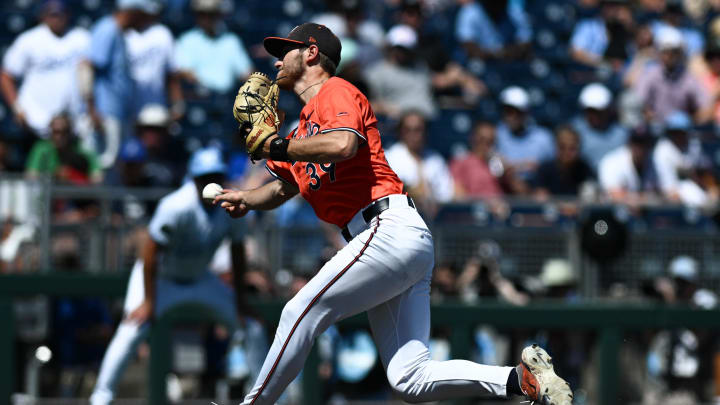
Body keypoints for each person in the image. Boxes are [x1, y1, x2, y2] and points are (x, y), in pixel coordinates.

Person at [214, 22, 572, 405]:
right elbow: (284, 186)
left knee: (299, 310)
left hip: (386, 227)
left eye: (284, 50)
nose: (276, 60)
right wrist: (247, 198)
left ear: (311, 52)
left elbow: (343, 144)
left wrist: (279, 146)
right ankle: (520, 381)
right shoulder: (303, 130)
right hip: (390, 241)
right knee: (409, 378)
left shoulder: (335, 91)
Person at [90, 148, 265, 405]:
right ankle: (100, 398)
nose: (210, 182)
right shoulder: (176, 206)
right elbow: (150, 253)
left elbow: (238, 251)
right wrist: (149, 302)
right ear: (193, 179)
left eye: (216, 175)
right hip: (160, 279)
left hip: (200, 278)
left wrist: (240, 301)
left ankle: (264, 398)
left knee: (252, 327)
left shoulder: (231, 204)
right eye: (205, 176)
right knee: (131, 328)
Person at [77, 0, 151, 169]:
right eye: (142, 15)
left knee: (111, 170)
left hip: (113, 113)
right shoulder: (107, 29)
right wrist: (91, 110)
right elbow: (87, 67)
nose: (146, 20)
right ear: (131, 11)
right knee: (100, 168)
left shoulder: (119, 32)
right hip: (102, 115)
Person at [0, 0, 89, 139]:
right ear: (44, 16)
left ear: (68, 15)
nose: (57, 19)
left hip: (74, 123)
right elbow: (6, 75)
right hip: (35, 121)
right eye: (53, 14)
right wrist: (17, 109)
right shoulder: (29, 39)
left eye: (61, 14)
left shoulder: (81, 38)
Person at [633, 26, 712, 124]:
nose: (669, 56)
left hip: (681, 132)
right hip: (655, 129)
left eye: (673, 52)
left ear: (680, 53)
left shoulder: (688, 77)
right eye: (665, 52)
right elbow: (638, 100)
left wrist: (691, 121)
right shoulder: (651, 73)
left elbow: (705, 105)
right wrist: (647, 114)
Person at [174, 0, 254, 94]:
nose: (207, 18)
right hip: (199, 98)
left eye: (211, 14)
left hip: (227, 100)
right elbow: (183, 71)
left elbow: (246, 72)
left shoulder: (231, 41)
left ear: (219, 15)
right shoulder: (186, 40)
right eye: (203, 14)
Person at [384, 110, 453, 217]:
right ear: (400, 132)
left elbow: (446, 194)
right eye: (408, 130)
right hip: (399, 218)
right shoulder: (389, 157)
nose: (413, 135)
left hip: (435, 220)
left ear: (425, 132)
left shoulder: (435, 160)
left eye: (418, 130)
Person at [124, 1, 184, 117]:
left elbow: (172, 73)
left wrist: (177, 104)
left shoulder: (162, 33)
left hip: (156, 105)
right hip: (128, 107)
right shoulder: (125, 35)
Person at [364, 24, 436, 119]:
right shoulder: (375, 73)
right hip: (397, 123)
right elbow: (367, 105)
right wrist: (382, 108)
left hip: (427, 118)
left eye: (406, 49)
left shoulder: (421, 68)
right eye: (399, 48)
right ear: (390, 47)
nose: (402, 52)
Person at [449, 120, 526, 199]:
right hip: (477, 209)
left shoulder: (500, 163)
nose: (485, 145)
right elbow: (458, 196)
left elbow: (522, 194)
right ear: (473, 138)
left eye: (490, 141)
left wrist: (509, 176)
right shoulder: (460, 163)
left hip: (503, 207)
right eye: (482, 139)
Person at [653, 111, 715, 206]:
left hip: (696, 191)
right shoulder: (662, 151)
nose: (679, 135)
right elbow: (669, 190)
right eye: (675, 132)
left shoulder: (693, 145)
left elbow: (704, 173)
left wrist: (712, 190)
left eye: (682, 132)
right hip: (671, 200)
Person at [495, 86, 555, 180]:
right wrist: (523, 166)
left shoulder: (543, 138)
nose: (512, 117)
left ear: (526, 113)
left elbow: (552, 169)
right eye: (509, 111)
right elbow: (495, 168)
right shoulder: (496, 135)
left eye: (518, 112)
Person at [26, 113, 103, 185]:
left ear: (70, 132)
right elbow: (31, 176)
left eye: (64, 132)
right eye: (56, 132)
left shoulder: (82, 149)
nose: (59, 137)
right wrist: (54, 175)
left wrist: (73, 177)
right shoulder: (41, 148)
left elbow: (97, 178)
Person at [571, 83, 628, 171]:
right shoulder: (575, 131)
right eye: (590, 111)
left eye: (599, 111)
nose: (594, 115)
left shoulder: (622, 133)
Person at [598, 126, 659, 205]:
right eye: (637, 142)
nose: (641, 148)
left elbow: (668, 193)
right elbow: (614, 195)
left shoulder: (655, 161)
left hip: (646, 213)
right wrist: (649, 198)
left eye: (645, 143)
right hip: (613, 213)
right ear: (629, 143)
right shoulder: (612, 161)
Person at [455, 0, 532, 61]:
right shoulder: (470, 12)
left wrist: (499, 53)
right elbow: (469, 48)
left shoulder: (514, 11)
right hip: (484, 66)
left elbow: (526, 45)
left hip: (513, 63)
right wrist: (499, 53)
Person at [569, 0, 635, 69]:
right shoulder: (588, 25)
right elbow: (576, 52)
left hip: (616, 75)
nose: (613, 10)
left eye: (616, 6)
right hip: (588, 72)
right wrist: (605, 63)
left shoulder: (622, 28)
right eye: (610, 5)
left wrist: (628, 23)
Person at [533, 126, 595, 198]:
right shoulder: (544, 169)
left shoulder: (585, 169)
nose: (567, 152)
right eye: (562, 147)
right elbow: (541, 197)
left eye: (572, 148)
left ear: (579, 149)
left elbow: (590, 198)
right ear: (555, 147)